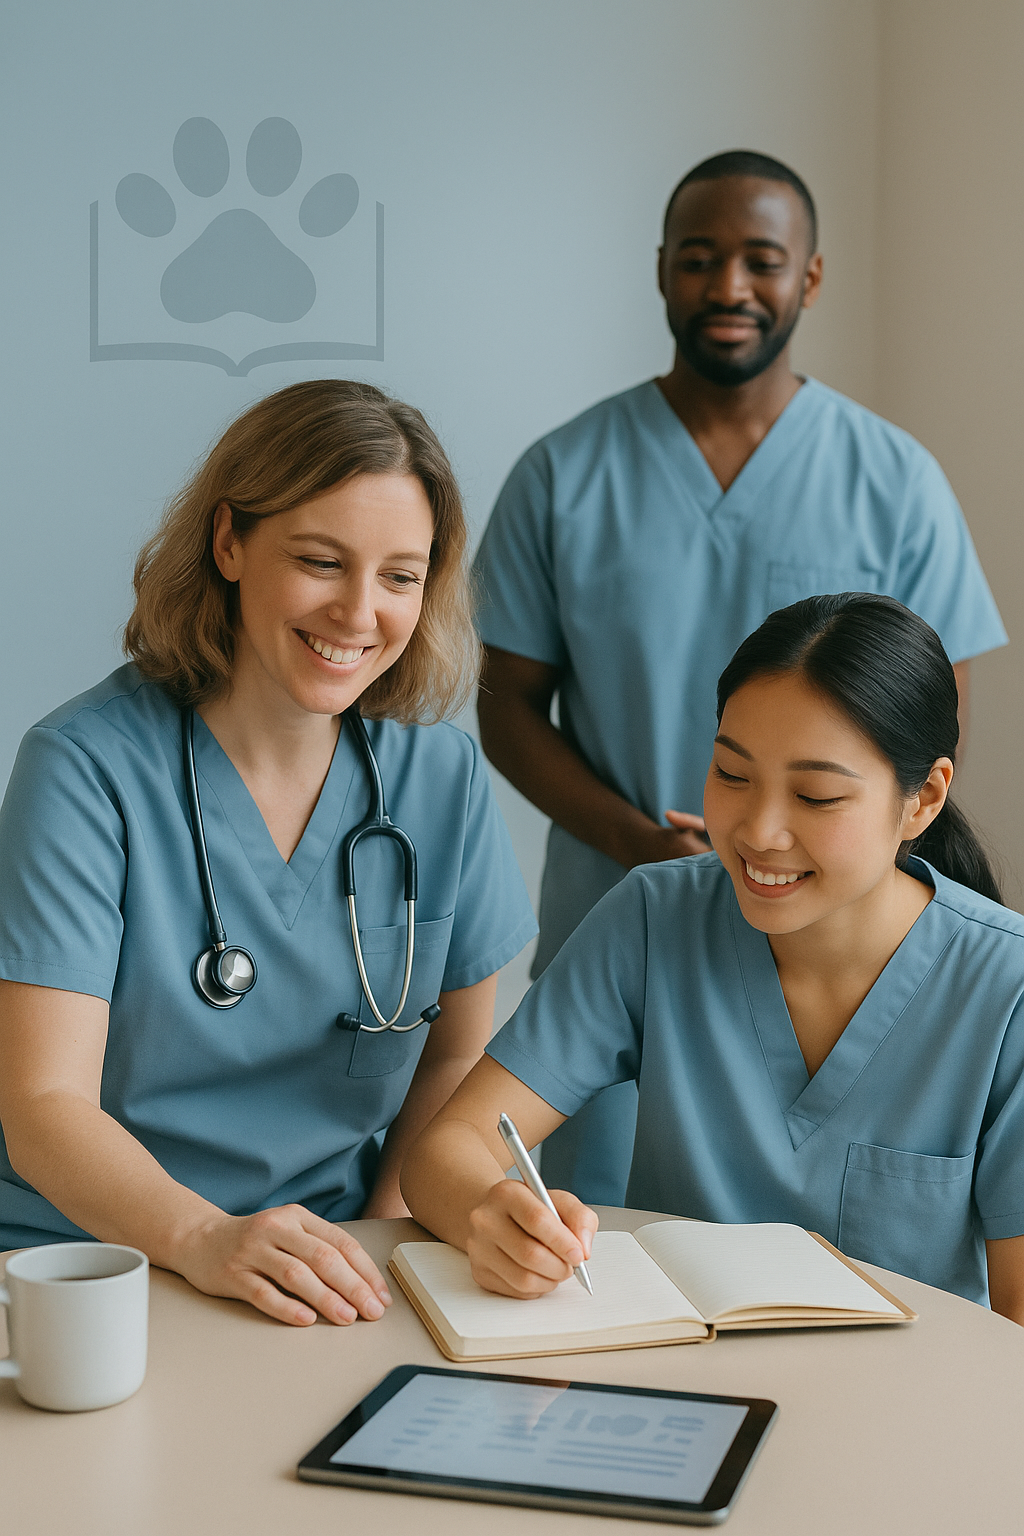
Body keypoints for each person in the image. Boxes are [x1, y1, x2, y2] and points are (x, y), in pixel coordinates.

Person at [472, 149, 1007, 1206]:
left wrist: (825, 850)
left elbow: (930, 717)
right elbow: (505, 704)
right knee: (578, 1247)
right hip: (621, 924)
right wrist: (645, 847)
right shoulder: (563, 475)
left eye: (760, 260)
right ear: (661, 270)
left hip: (842, 949)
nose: (728, 287)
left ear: (807, 278)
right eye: (700, 259)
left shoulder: (892, 479)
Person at [0, 380, 536, 1328]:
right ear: (230, 543)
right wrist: (206, 1240)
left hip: (328, 1268)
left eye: (401, 577)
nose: (359, 612)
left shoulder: (440, 779)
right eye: (321, 561)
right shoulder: (84, 770)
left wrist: (380, 1241)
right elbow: (44, 1106)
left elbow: (455, 1061)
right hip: (91, 1273)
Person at [403, 594, 1024, 1320]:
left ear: (923, 800)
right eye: (732, 775)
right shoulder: (653, 918)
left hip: (902, 1416)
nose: (759, 832)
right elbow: (447, 1149)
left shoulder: (1004, 989)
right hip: (679, 1398)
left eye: (816, 796)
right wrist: (495, 1213)